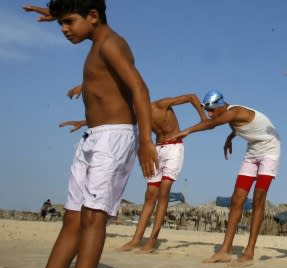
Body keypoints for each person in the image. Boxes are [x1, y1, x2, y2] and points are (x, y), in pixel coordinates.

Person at [23, 0, 156, 268]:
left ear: (93, 16)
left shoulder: (110, 45)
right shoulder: (97, 42)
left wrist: (146, 141)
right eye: (61, 23)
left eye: (68, 22)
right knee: (73, 218)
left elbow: (140, 89)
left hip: (115, 139)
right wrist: (55, 13)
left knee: (93, 217)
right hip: (92, 138)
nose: (64, 29)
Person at [62, 84, 208, 253]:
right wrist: (83, 122)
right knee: (150, 195)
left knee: (164, 192)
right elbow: (113, 118)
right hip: (156, 148)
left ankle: (152, 240)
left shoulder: (160, 105)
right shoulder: (139, 115)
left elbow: (191, 96)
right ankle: (136, 239)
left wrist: (203, 118)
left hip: (174, 148)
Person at [167, 89, 280, 266]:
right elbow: (238, 126)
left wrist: (187, 131)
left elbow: (212, 125)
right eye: (207, 111)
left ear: (221, 105)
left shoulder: (234, 111)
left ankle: (249, 252)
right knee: (237, 199)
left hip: (270, 152)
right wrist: (230, 137)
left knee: (259, 199)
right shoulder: (230, 115)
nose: (210, 114)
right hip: (252, 152)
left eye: (212, 111)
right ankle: (225, 250)